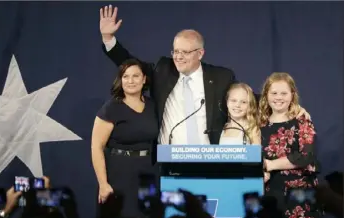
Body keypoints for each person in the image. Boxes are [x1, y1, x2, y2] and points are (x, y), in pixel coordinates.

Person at [99, 5, 311, 151]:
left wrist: (287, 106)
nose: (178, 57)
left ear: (200, 53)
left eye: (185, 52)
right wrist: (109, 39)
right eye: (175, 51)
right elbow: (130, 64)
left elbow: (246, 98)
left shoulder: (220, 77)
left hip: (209, 158)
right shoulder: (163, 69)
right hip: (169, 159)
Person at [91, 59, 159, 218]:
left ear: (144, 79)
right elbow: (96, 147)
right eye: (126, 76)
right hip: (119, 173)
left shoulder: (153, 106)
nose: (130, 81)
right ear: (120, 80)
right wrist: (103, 184)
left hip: (148, 172)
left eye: (135, 76)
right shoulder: (111, 108)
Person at [259, 72, 326, 218]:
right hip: (270, 197)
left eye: (284, 93)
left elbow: (306, 156)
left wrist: (269, 164)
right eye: (274, 93)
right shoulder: (259, 124)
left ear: (292, 95)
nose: (278, 97)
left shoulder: (302, 121)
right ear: (266, 95)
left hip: (299, 198)